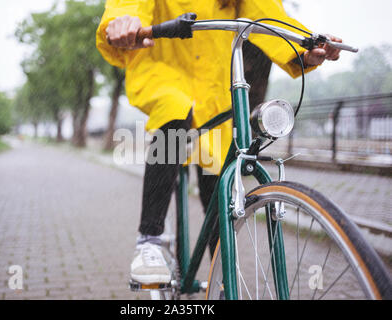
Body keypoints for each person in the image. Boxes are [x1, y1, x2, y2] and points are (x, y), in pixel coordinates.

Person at [96, 0, 342, 285]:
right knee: (174, 111)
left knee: (217, 181)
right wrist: (123, 23)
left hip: (213, 89)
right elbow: (129, 5)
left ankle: (224, 280)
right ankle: (149, 241)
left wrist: (306, 48)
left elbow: (269, 17)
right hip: (162, 71)